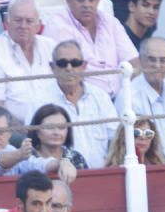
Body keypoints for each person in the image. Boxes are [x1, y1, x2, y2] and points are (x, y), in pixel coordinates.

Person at [32, 40, 116, 169]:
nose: (69, 68)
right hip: (58, 179)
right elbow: (34, 147)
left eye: (75, 63)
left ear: (84, 66)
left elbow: (115, 139)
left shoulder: (100, 97)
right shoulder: (40, 101)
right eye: (62, 63)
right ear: (52, 67)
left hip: (101, 176)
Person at [0, 0, 57, 125]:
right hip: (14, 132)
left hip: (55, 126)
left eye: (29, 21)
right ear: (6, 22)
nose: (23, 26)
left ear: (38, 25)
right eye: (18, 20)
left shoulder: (51, 47)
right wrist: (27, 134)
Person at [43, 0, 139, 99]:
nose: (87, 5)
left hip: (121, 98)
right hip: (83, 99)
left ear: (98, 0)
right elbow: (66, 73)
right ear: (68, 0)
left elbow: (134, 62)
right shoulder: (58, 25)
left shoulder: (110, 22)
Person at [0, 105, 77, 182]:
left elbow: (38, 164)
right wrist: (19, 155)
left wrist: (63, 162)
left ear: (9, 132)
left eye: (0, 132)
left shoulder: (12, 150)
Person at [29, 104, 89, 171]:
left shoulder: (76, 157)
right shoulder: (27, 159)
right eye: (49, 127)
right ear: (37, 131)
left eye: (61, 127)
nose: (56, 132)